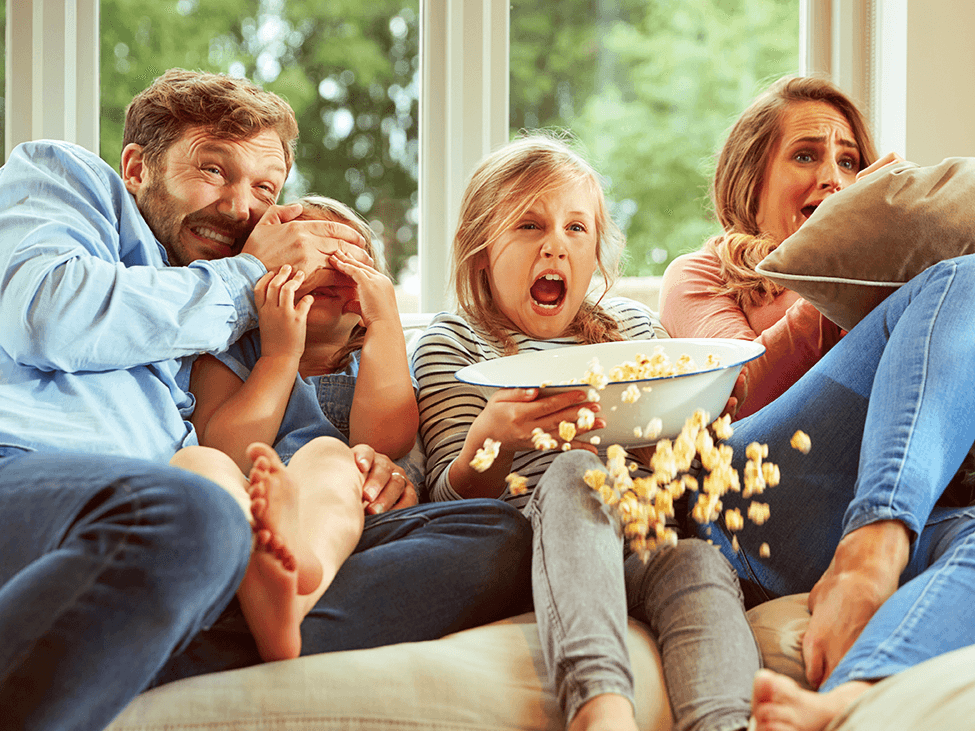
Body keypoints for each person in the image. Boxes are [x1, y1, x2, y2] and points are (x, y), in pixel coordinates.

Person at [0, 69, 532, 731]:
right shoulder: (70, 180)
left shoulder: (247, 327)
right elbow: (44, 312)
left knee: (497, 535)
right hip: (31, 474)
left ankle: (130, 639)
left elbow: (299, 457)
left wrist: (354, 478)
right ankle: (152, 625)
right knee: (192, 506)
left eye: (264, 189)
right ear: (137, 165)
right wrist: (245, 276)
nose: (238, 207)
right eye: (212, 170)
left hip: (187, 543)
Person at [413, 133, 761, 731]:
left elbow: (674, 473)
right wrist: (492, 438)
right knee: (578, 469)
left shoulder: (632, 329)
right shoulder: (453, 344)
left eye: (576, 228)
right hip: (528, 548)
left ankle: (728, 723)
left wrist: (696, 422)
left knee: (696, 559)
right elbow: (450, 503)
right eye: (529, 225)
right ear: (480, 251)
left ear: (596, 248)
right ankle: (600, 709)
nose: (556, 245)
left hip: (636, 540)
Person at [659, 75, 975, 731]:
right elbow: (730, 392)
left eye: (848, 160)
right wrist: (831, 279)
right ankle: (869, 551)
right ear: (751, 180)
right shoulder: (702, 272)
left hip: (878, 500)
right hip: (747, 500)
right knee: (961, 282)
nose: (831, 174)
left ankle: (850, 692)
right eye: (805, 155)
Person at [170, 195, 417, 663]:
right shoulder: (231, 355)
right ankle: (269, 576)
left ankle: (292, 590)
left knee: (329, 453)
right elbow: (228, 449)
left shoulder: (372, 358)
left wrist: (386, 322)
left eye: (343, 258)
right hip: (242, 496)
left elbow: (383, 442)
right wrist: (279, 355)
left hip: (333, 512)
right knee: (193, 461)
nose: (323, 269)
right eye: (301, 253)